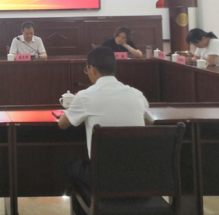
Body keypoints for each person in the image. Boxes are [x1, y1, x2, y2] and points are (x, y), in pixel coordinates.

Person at [58, 47, 154, 193]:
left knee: (70, 168)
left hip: (102, 176)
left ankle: (92, 205)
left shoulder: (84, 96)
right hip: (138, 176)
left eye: (86, 70)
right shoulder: (137, 94)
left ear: (92, 69)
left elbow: (62, 124)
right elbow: (149, 122)